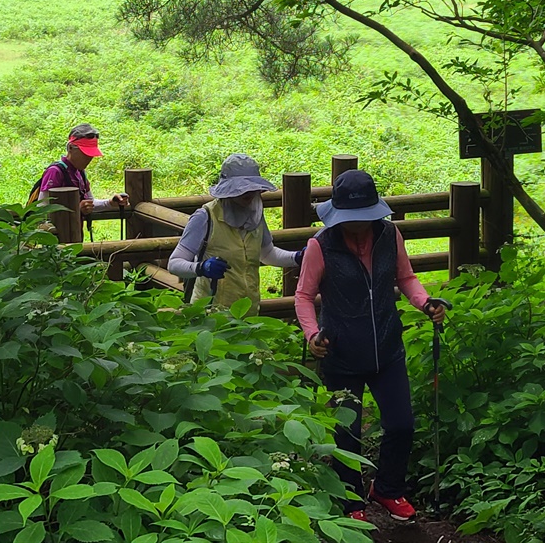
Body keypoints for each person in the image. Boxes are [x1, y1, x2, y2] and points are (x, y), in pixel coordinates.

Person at [293, 169, 448, 524]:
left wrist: (425, 303)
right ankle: (351, 503)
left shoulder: (390, 235)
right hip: (341, 353)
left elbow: (405, 277)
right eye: (351, 219)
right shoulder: (321, 245)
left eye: (364, 218)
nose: (358, 225)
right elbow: (303, 296)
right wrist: (312, 335)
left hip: (387, 347)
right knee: (347, 434)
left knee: (401, 425)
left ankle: (388, 489)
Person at [167, 154, 303, 313]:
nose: (249, 193)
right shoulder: (205, 217)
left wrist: (298, 257)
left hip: (248, 315)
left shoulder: (255, 214)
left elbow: (267, 254)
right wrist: (201, 268)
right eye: (242, 188)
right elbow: (174, 263)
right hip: (210, 317)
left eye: (253, 187)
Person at [34, 123, 129, 224]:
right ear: (70, 148)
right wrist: (76, 209)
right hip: (55, 237)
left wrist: (110, 203)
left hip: (74, 235)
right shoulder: (55, 172)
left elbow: (91, 204)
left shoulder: (80, 172)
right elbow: (41, 210)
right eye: (85, 153)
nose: (89, 158)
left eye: (92, 154)